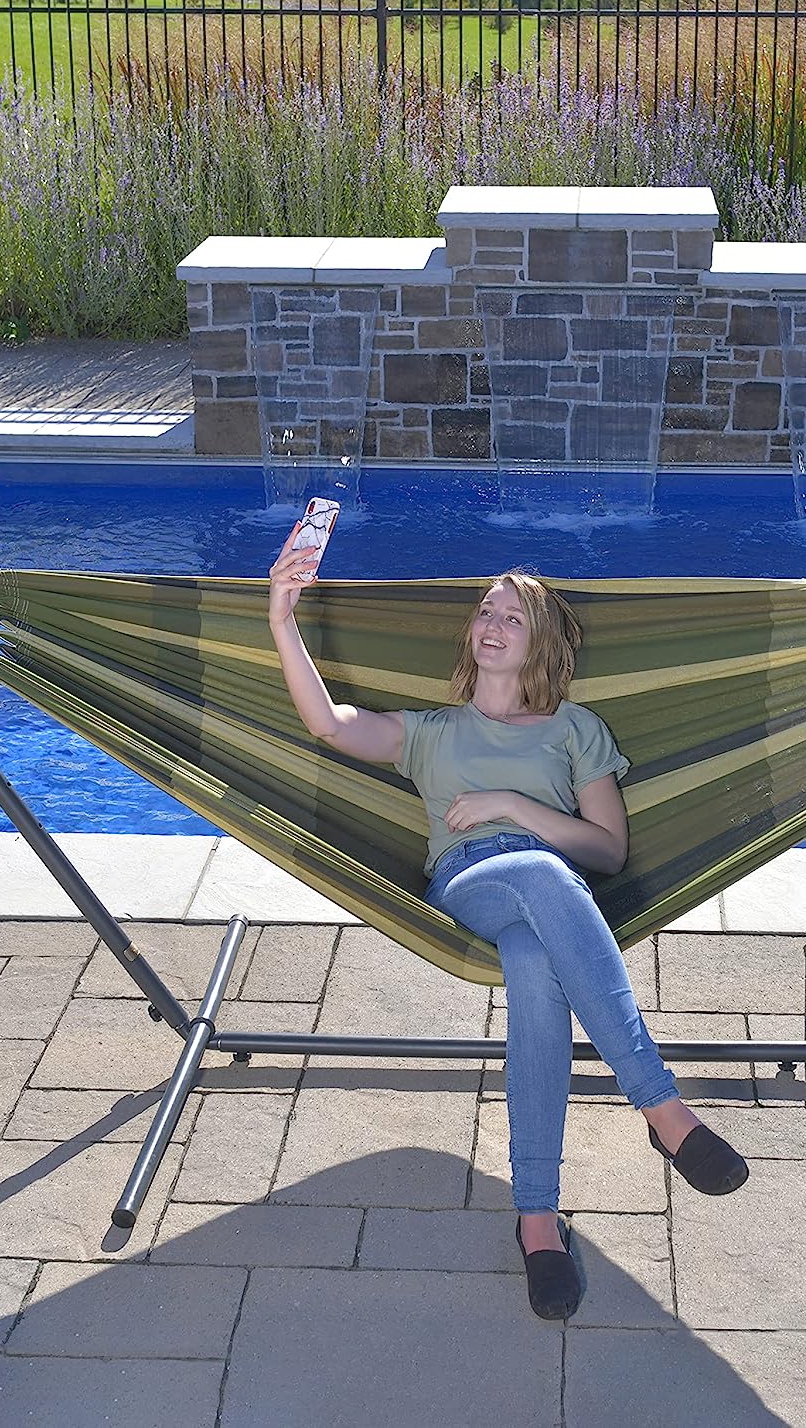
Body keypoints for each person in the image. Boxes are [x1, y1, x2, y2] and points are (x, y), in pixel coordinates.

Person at [267, 532, 749, 1321]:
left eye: (513, 617)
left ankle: (536, 1218)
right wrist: (283, 620)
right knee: (536, 876)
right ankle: (662, 1107)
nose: (492, 624)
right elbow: (329, 724)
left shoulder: (575, 730)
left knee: (531, 964)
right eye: (485, 612)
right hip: (472, 885)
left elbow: (608, 848)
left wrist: (513, 806)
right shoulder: (430, 731)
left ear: (541, 642)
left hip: (553, 899)